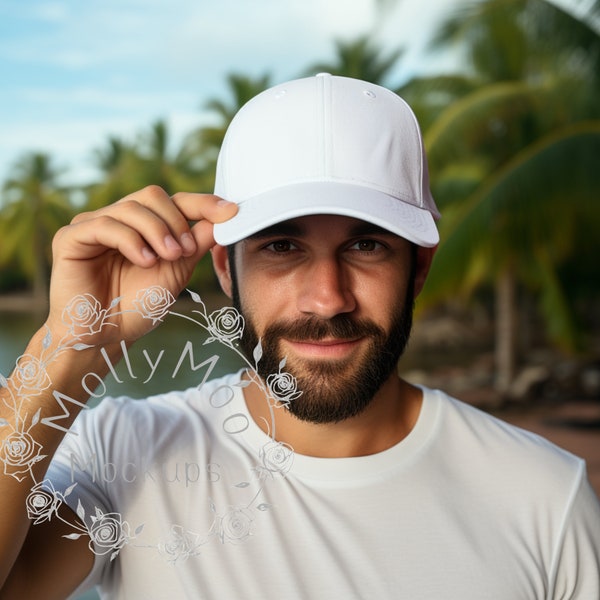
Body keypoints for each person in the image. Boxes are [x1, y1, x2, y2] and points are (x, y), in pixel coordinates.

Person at [0, 73, 598, 599]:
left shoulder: (546, 498)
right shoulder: (121, 455)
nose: (328, 298)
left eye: (366, 245)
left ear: (417, 268)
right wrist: (69, 347)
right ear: (225, 270)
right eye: (282, 247)